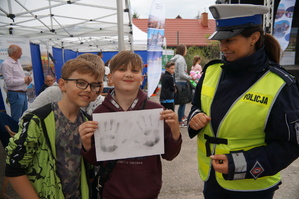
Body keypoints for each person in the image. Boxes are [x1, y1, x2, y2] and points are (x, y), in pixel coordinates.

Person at [187, 4, 299, 199]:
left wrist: (240, 163)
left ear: (254, 38)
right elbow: (196, 105)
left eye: (230, 40)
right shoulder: (212, 71)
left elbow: (290, 145)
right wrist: (195, 116)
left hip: (252, 188)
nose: (223, 48)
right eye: (221, 40)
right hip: (212, 180)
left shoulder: (281, 84)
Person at [79, 50, 182, 199]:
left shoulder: (157, 112)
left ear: (141, 78)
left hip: (149, 193)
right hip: (112, 192)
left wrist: (175, 132)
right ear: (110, 78)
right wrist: (87, 144)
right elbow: (95, 160)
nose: (128, 74)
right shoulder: (99, 114)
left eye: (134, 70)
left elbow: (169, 155)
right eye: (121, 69)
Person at [5, 57, 105, 199]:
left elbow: (88, 169)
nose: (88, 89)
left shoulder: (86, 121)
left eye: (94, 85)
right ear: (62, 85)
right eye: (81, 83)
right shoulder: (38, 120)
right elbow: (14, 169)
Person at [22, 53, 105, 117]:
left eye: (96, 84)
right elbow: (27, 118)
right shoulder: (54, 93)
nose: (88, 89)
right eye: (81, 83)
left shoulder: (100, 101)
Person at [0, 44, 32, 122]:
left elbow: (19, 77)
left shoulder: (17, 62)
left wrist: (27, 79)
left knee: (24, 117)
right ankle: (16, 133)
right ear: (15, 52)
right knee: (17, 118)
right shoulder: (6, 64)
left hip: (22, 93)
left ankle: (22, 133)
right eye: (20, 51)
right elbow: (9, 82)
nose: (22, 53)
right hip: (16, 94)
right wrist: (24, 80)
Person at [171, 44, 194, 127]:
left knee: (182, 102)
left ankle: (183, 116)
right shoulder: (180, 59)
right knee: (183, 102)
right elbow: (181, 74)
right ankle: (180, 121)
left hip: (177, 81)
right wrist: (190, 77)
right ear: (182, 50)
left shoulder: (174, 58)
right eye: (186, 49)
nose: (186, 51)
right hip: (181, 82)